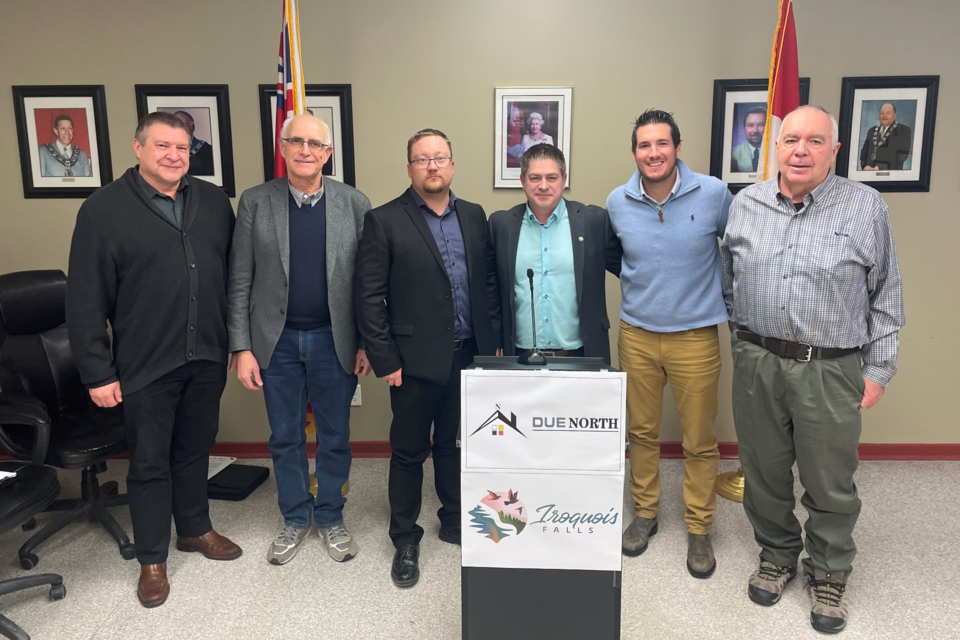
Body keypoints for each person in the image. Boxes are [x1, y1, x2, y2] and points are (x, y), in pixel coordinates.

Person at [721, 105, 904, 634]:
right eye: (791, 139)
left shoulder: (865, 207)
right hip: (757, 363)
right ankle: (777, 554)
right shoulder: (746, 204)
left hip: (829, 368)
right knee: (764, 472)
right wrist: (745, 344)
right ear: (776, 146)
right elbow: (730, 281)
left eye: (814, 141)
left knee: (829, 480)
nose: (800, 150)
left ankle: (828, 571)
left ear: (835, 150)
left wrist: (879, 370)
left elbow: (886, 296)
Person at [66, 111, 241, 608]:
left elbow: (230, 274)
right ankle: (152, 559)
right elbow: (84, 301)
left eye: (182, 148)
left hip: (206, 352)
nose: (173, 156)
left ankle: (195, 529)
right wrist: (97, 372)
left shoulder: (211, 200)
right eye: (163, 146)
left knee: (194, 448)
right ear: (138, 148)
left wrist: (235, 340)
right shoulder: (103, 210)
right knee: (148, 462)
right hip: (145, 363)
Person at [355, 128, 500, 588]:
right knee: (409, 451)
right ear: (410, 169)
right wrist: (385, 359)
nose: (432, 166)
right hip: (411, 363)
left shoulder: (475, 216)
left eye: (440, 158)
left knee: (456, 445)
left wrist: (492, 344)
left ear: (452, 165)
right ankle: (405, 537)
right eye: (423, 159)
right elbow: (368, 297)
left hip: (469, 357)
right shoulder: (384, 220)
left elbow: (489, 285)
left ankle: (455, 518)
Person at [227, 114, 372, 566]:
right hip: (276, 342)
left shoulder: (354, 203)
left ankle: (329, 516)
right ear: (284, 147)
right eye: (297, 141)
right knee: (284, 437)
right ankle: (294, 517)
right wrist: (241, 346)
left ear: (328, 153)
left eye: (315, 143)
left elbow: (369, 283)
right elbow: (239, 279)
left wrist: (367, 342)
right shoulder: (255, 201)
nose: (306, 150)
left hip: (336, 340)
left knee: (335, 436)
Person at [606, 109, 732, 579]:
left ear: (677, 148)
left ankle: (699, 527)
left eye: (662, 144)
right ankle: (645, 513)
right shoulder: (617, 201)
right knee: (640, 432)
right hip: (636, 334)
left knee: (699, 438)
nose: (653, 153)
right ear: (635, 152)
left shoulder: (715, 193)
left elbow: (740, 251)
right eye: (644, 145)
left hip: (696, 336)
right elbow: (618, 258)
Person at [488, 143, 621, 362]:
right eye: (534, 178)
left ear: (564, 179)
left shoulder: (593, 222)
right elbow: (490, 292)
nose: (543, 186)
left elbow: (630, 269)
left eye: (551, 178)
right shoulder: (500, 225)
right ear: (522, 181)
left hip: (582, 354)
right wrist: (494, 341)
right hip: (520, 356)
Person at [859, 102, 912, 171]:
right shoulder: (871, 131)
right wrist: (865, 167)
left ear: (894, 115)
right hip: (869, 174)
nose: (884, 116)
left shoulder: (903, 130)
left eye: (888, 113)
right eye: (882, 113)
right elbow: (864, 153)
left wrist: (880, 168)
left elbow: (901, 156)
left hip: (891, 176)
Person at [173, 110, 215, 176]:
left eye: (184, 126)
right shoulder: (167, 151)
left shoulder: (208, 150)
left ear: (192, 128)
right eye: (175, 126)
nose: (179, 130)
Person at [730, 106, 766, 173]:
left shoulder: (777, 152)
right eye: (750, 125)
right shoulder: (734, 154)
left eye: (761, 125)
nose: (755, 130)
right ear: (745, 128)